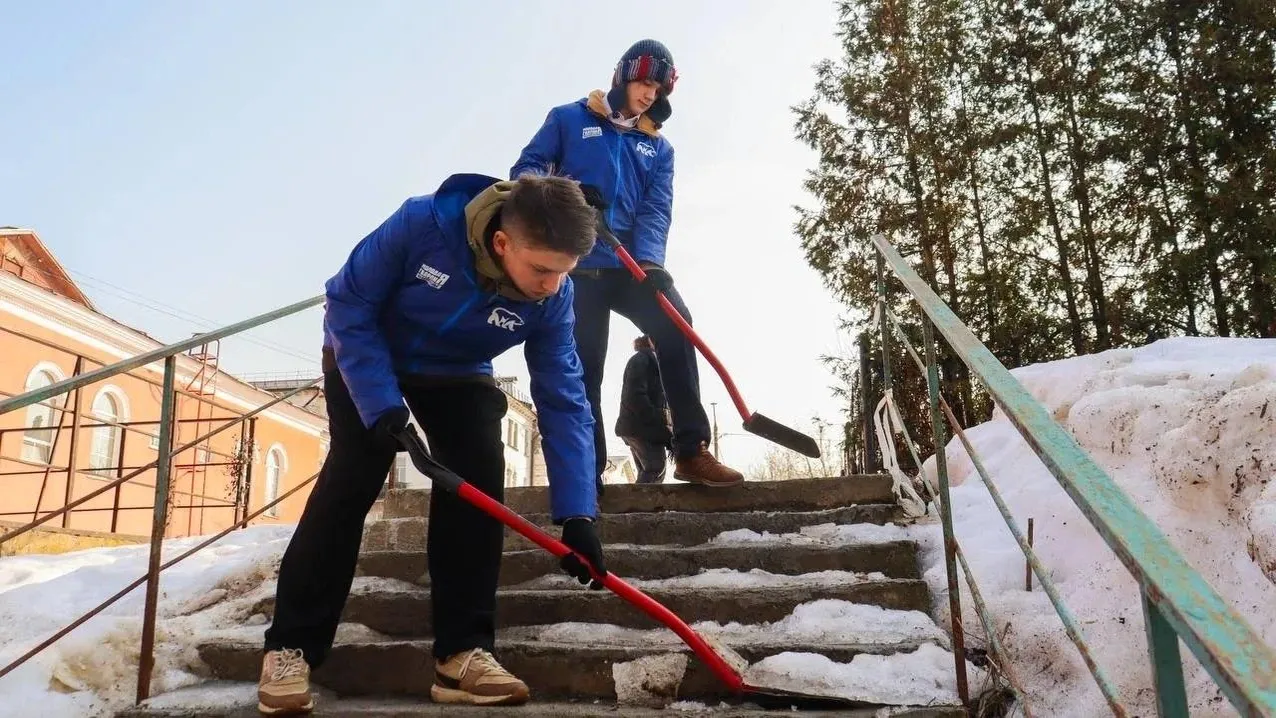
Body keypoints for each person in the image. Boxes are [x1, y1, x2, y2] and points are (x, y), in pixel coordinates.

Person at [256, 173, 608, 715]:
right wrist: (382, 407)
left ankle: (462, 655)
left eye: (565, 272)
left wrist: (578, 513)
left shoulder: (555, 297)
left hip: (458, 370)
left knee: (478, 481)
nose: (552, 286)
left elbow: (563, 400)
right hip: (366, 352)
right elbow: (348, 302)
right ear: (501, 243)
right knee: (353, 476)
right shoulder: (422, 224)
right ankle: (291, 648)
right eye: (541, 269)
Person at [510, 39, 744, 492]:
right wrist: (570, 195)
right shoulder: (568, 119)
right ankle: (586, 467)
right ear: (622, 77)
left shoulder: (658, 149)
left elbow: (656, 209)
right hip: (573, 264)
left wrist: (652, 260)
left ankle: (692, 451)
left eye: (658, 89)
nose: (649, 95)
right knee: (583, 364)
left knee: (677, 326)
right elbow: (526, 171)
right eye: (644, 82)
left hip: (629, 264)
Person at [615, 335, 672, 484]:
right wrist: (659, 421)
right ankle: (640, 505)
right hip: (643, 427)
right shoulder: (643, 360)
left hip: (637, 426)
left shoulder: (648, 361)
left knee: (649, 471)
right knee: (655, 469)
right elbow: (635, 396)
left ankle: (642, 505)